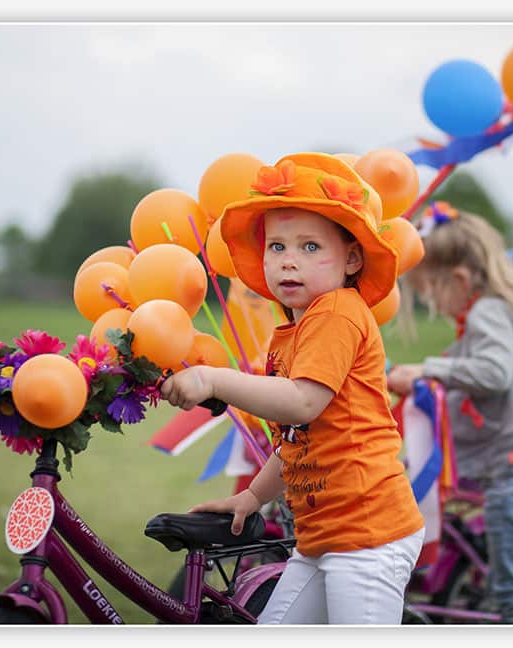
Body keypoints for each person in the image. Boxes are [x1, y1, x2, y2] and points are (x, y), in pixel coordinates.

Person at [160, 153, 425, 624]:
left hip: (368, 532)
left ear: (351, 259)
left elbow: (303, 402)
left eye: (308, 247)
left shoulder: (338, 312)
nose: (288, 261)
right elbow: (296, 439)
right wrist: (251, 497)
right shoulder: (294, 331)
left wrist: (213, 379)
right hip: (322, 536)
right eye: (277, 247)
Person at [387, 203, 513, 625]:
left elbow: (493, 374)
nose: (432, 302)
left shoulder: (487, 312)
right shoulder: (500, 313)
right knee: (511, 587)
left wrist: (427, 369)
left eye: (430, 291)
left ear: (458, 278)